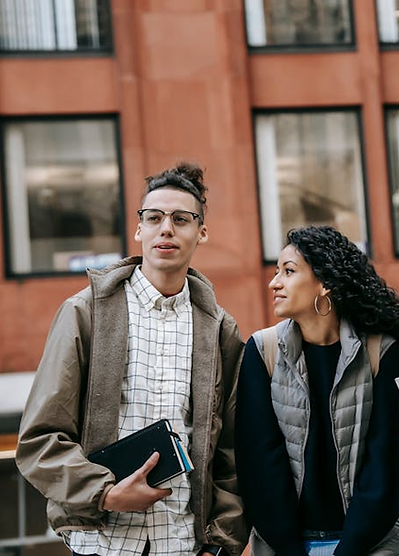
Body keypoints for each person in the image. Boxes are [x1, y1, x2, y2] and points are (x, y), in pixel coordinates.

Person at [16, 162, 247, 556]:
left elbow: (232, 451)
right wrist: (105, 493)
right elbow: (40, 439)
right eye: (154, 217)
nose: (166, 228)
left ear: (202, 232)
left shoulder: (219, 330)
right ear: (139, 229)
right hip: (102, 542)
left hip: (184, 544)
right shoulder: (86, 312)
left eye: (182, 219)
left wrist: (220, 544)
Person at [236, 226, 399, 556]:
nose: (274, 282)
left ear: (324, 283)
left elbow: (386, 467)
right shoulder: (261, 350)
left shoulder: (380, 352)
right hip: (285, 546)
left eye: (289, 271)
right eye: (276, 271)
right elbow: (258, 466)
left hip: (372, 544)